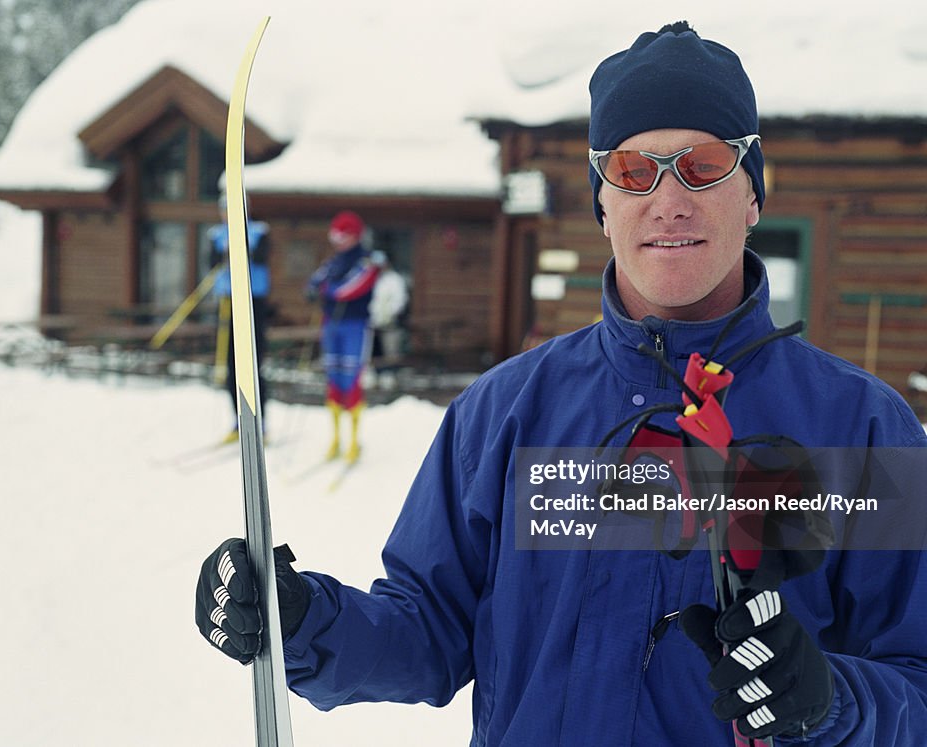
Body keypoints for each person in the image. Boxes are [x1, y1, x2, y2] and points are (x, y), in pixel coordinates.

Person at [196, 23, 927, 744]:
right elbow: (427, 628)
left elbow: (917, 682)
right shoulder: (505, 412)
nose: (668, 199)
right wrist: (301, 619)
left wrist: (836, 701)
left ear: (754, 194)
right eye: (634, 171)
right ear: (602, 205)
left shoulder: (859, 429)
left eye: (702, 165)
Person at [305, 211, 380, 463]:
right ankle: (336, 438)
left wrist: (328, 290)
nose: (337, 240)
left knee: (352, 380)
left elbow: (354, 286)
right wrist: (315, 288)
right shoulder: (334, 261)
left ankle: (354, 440)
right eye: (335, 235)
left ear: (354, 236)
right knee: (333, 380)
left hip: (355, 326)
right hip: (331, 324)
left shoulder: (366, 260)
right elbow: (316, 280)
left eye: (343, 235)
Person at [208, 194, 272, 438]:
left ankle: (260, 421)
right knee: (230, 365)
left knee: (254, 364)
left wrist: (238, 245)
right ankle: (237, 420)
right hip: (227, 301)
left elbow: (260, 257)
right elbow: (212, 262)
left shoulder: (258, 232)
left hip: (253, 301)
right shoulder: (216, 235)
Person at [367, 251, 409, 389]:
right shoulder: (371, 279)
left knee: (391, 350)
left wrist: (390, 314)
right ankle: (375, 375)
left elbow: (400, 300)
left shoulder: (395, 279)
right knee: (373, 349)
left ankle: (390, 376)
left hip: (390, 322)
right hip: (373, 322)